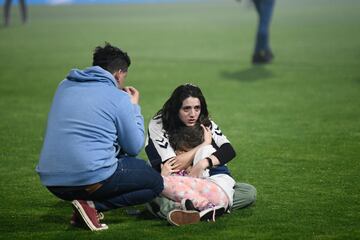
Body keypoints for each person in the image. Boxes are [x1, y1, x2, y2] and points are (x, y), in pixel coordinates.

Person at [36, 43, 164, 231]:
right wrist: (133, 107)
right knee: (154, 182)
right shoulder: (118, 97)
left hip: (53, 182)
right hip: (89, 177)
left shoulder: (64, 85)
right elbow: (134, 147)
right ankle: (92, 207)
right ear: (119, 74)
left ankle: (83, 203)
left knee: (121, 158)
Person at [145, 84, 257, 226]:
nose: (193, 114)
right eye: (186, 108)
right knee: (151, 188)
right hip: (172, 178)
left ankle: (191, 210)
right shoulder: (159, 123)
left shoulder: (204, 121)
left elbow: (229, 150)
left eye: (197, 108)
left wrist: (203, 163)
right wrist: (203, 145)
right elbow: (173, 165)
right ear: (175, 109)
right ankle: (189, 209)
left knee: (248, 192)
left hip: (201, 182)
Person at [160, 124, 235, 225]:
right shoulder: (175, 165)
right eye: (178, 151)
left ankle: (203, 207)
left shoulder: (206, 151)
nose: (179, 154)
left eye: (183, 152)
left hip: (216, 190)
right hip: (220, 199)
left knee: (159, 183)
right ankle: (195, 212)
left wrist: (164, 177)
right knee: (158, 191)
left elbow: (190, 181)